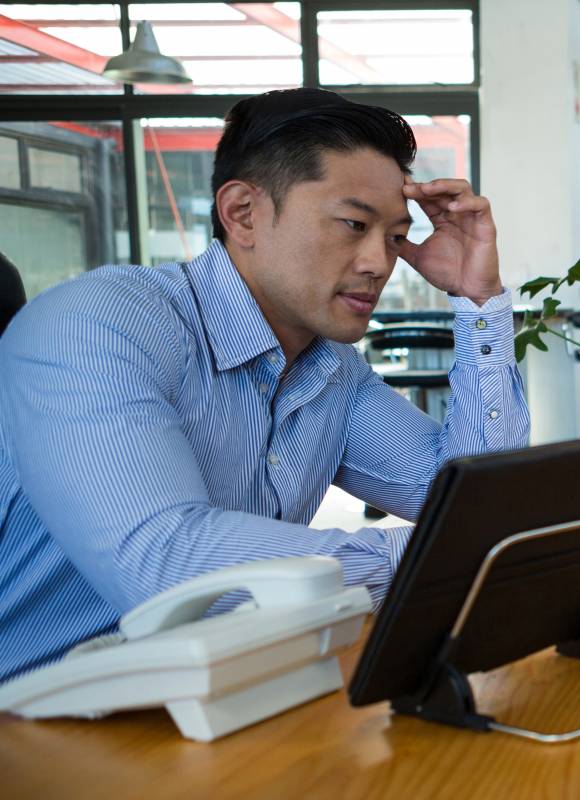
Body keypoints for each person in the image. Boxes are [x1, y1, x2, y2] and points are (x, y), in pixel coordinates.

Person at [0, 89, 528, 681]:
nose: (380, 262)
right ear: (243, 214)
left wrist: (479, 301)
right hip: (32, 725)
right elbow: (166, 564)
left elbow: (479, 500)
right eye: (354, 224)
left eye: (395, 237)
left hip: (221, 696)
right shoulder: (99, 323)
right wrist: (453, 551)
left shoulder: (329, 369)